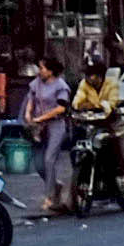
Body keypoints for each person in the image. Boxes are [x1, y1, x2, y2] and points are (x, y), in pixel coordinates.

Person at [70, 55, 124, 211]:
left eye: (93, 74)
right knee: (83, 151)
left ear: (100, 75)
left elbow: (110, 104)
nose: (90, 78)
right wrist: (79, 108)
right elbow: (77, 102)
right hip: (95, 127)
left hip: (115, 127)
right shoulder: (84, 85)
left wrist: (96, 105)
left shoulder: (112, 85)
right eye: (88, 74)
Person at [23, 56, 76, 215]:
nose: (40, 71)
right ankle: (55, 185)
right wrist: (28, 113)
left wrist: (42, 118)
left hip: (55, 125)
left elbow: (61, 108)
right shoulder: (36, 83)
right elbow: (30, 99)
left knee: (49, 159)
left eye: (42, 68)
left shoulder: (60, 86)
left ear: (51, 71)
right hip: (39, 127)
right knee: (39, 163)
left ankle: (50, 196)